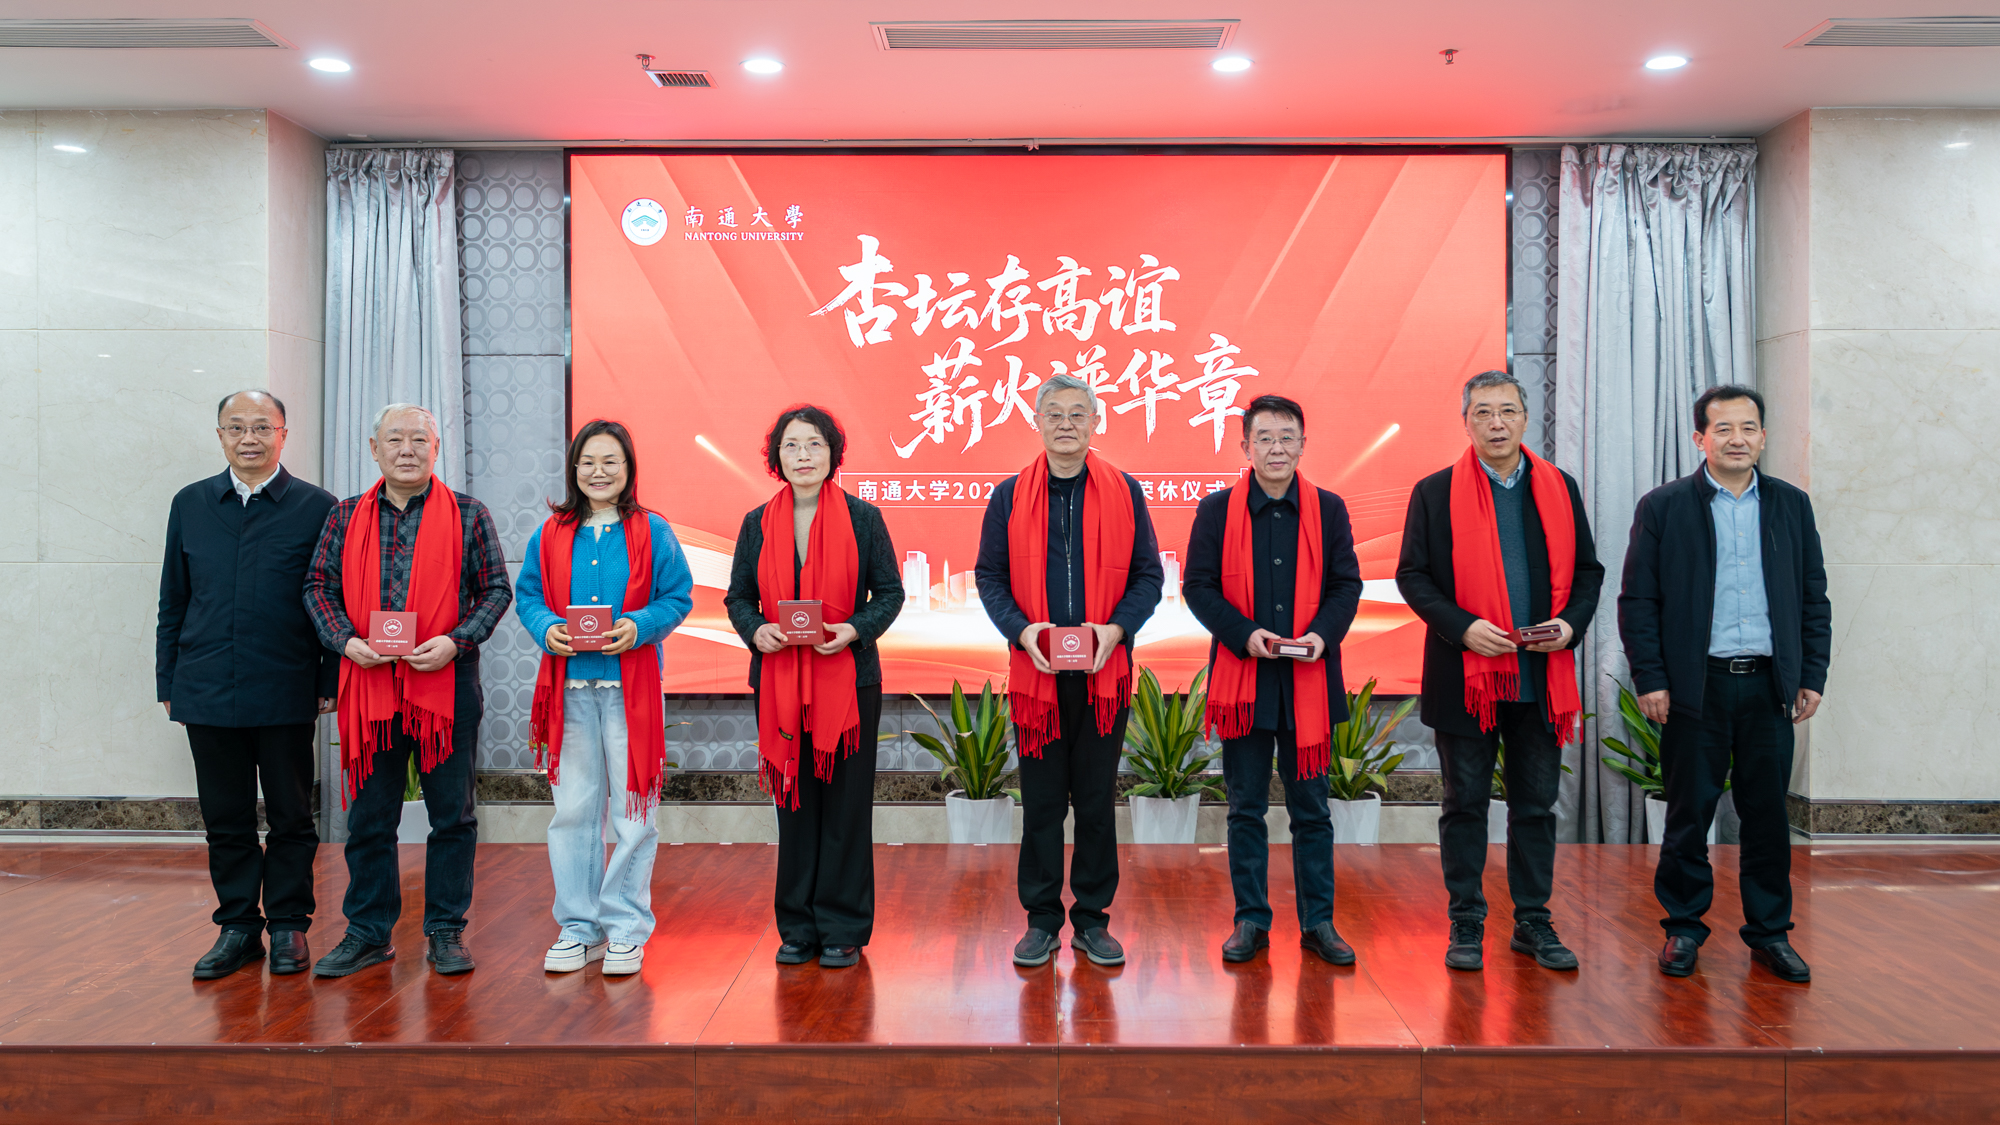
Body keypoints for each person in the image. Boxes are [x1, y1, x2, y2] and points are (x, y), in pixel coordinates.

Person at [1619, 385, 1829, 984]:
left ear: (1763, 436)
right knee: (1689, 815)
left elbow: (1813, 596)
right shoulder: (1664, 507)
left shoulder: (1790, 505)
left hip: (1768, 687)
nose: (1738, 439)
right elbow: (1639, 601)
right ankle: (1684, 928)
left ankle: (1770, 934)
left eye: (1748, 428)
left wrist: (1810, 674)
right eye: (1723, 429)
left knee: (1766, 818)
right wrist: (1652, 678)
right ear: (1700, 438)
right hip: (1697, 688)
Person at [1395, 370, 1604, 972]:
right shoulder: (1435, 492)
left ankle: (1533, 920)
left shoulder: (1559, 488)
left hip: (1540, 676)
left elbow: (1587, 573)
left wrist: (1569, 627)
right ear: (1466, 421)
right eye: (1483, 412)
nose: (1496, 423)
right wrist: (1462, 627)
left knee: (1535, 806)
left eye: (1507, 411)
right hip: (1466, 677)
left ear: (1525, 418)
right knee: (1464, 804)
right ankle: (1466, 919)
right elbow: (1413, 576)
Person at [302, 404, 511, 978]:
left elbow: (496, 589)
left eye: (420, 439)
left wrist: (456, 642)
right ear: (375, 449)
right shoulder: (345, 515)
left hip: (445, 685)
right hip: (369, 685)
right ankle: (368, 933)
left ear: (436, 449)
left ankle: (446, 930)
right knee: (370, 818)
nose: (407, 449)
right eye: (395, 439)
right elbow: (317, 586)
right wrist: (345, 641)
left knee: (453, 817)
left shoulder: (468, 514)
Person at [975, 373, 1164, 969]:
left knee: (1096, 803)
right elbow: (990, 577)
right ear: (1036, 422)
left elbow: (1148, 577)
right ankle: (1041, 921)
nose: (1065, 423)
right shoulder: (1009, 496)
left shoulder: (1125, 491)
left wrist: (1117, 630)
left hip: (1103, 676)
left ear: (1095, 423)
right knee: (1042, 804)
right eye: (1053, 413)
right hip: (1038, 679)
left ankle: (1092, 919)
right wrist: (1022, 631)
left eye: (1077, 413)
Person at [157, 390, 338, 979]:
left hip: (286, 684)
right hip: (205, 684)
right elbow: (173, 598)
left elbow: (331, 601)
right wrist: (168, 679)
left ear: (284, 434)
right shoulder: (190, 503)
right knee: (225, 818)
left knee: (291, 815)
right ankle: (237, 927)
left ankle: (288, 925)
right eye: (236, 427)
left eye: (262, 427)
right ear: (220, 435)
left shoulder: (317, 507)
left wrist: (329, 677)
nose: (249, 438)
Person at [1184, 394, 1364, 966]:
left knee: (1313, 810)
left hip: (1310, 682)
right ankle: (1251, 921)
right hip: (1246, 686)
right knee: (1245, 809)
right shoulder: (1217, 511)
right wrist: (1244, 635)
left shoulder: (1329, 509)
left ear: (1303, 445)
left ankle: (1318, 923)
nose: (1276, 448)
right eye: (1264, 438)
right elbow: (1198, 587)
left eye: (1287, 437)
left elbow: (1347, 585)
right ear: (1246, 447)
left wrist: (1322, 635)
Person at [725, 405, 904, 968]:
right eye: (792, 446)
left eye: (814, 445)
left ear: (833, 453)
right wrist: (757, 630)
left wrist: (855, 629)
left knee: (846, 808)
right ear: (776, 457)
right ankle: (799, 927)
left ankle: (842, 927)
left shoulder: (864, 518)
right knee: (795, 805)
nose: (803, 456)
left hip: (849, 681)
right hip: (779, 683)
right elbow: (738, 597)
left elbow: (890, 594)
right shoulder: (757, 522)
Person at [516, 420, 693, 976]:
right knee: (572, 811)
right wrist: (546, 628)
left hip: (629, 691)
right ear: (574, 469)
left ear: (628, 468)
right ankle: (578, 927)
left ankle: (625, 928)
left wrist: (641, 626)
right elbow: (528, 595)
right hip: (568, 691)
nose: (599, 472)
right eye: (588, 461)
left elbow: (678, 596)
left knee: (634, 812)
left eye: (610, 461)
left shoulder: (653, 530)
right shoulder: (550, 532)